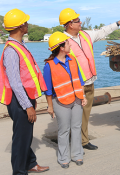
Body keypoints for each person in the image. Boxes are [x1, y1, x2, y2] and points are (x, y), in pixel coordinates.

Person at [59, 8, 120, 150]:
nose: (80, 22)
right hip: (76, 85)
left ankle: (83, 141)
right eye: (77, 20)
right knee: (75, 116)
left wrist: (117, 23)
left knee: (85, 114)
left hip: (89, 82)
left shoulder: (85, 35)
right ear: (69, 24)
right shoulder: (62, 41)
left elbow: (102, 31)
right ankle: (73, 142)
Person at [0, 9, 49, 174]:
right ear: (20, 27)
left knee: (26, 135)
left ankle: (30, 163)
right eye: (25, 22)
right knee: (20, 139)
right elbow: (16, 83)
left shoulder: (19, 45)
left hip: (25, 98)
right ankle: (19, 172)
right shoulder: (12, 51)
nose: (27, 24)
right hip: (20, 101)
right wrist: (27, 106)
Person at [43, 32, 87, 168]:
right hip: (60, 101)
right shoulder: (49, 66)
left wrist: (83, 96)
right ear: (61, 47)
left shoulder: (72, 60)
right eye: (68, 43)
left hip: (77, 99)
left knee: (76, 127)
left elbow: (80, 80)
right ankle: (63, 158)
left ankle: (77, 155)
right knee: (64, 130)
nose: (70, 45)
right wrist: (50, 107)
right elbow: (48, 90)